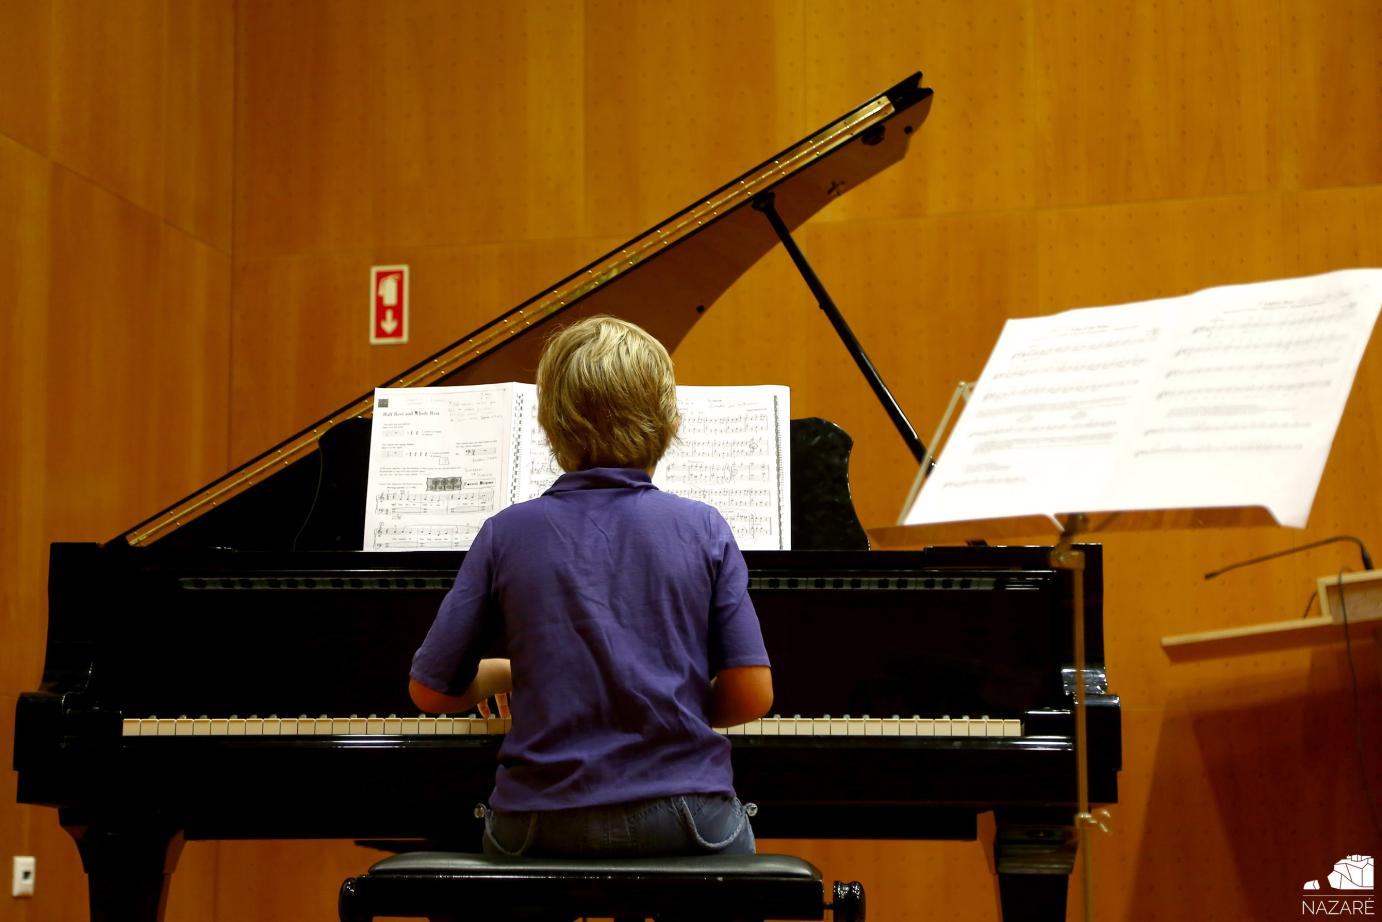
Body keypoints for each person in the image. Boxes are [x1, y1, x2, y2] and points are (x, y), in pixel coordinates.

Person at [408, 314, 773, 858]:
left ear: (550, 424)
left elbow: (430, 693)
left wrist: (506, 674)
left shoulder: (506, 532)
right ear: (668, 420)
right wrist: (663, 697)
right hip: (685, 815)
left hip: (535, 824)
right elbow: (752, 696)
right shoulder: (703, 527)